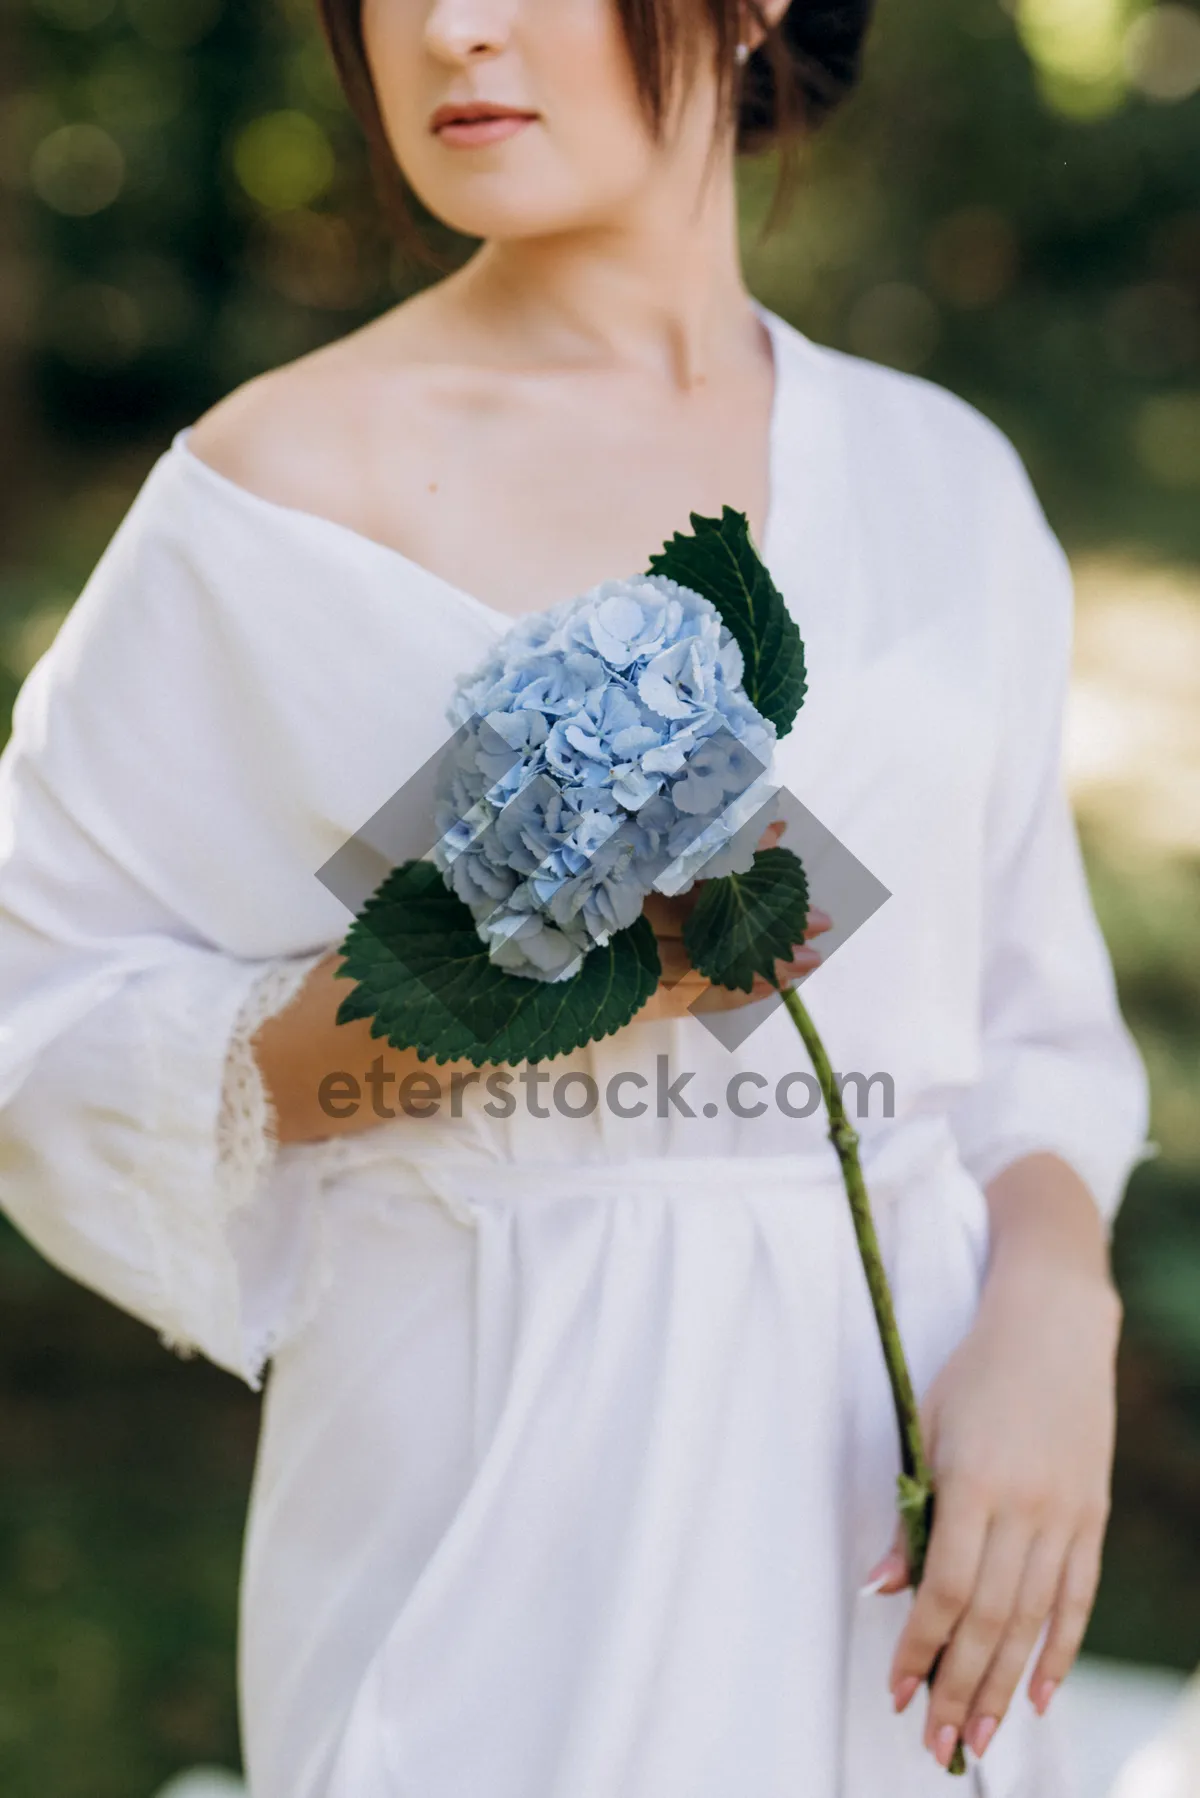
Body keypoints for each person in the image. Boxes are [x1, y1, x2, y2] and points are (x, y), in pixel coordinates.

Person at [0, 2, 1152, 1795]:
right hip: (487, 1512)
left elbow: (1036, 1031)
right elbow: (43, 1035)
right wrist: (542, 980)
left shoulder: (947, 481)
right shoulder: (271, 497)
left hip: (899, 1521)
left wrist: (1058, 1317)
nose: (454, 28)